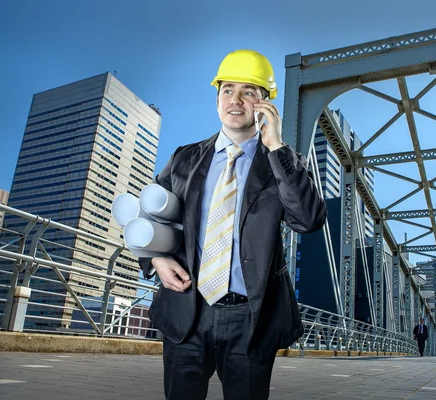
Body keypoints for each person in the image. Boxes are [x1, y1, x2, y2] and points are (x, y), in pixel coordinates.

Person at [138, 49, 327, 400]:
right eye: (227, 90)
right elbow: (149, 216)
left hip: (251, 320)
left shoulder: (283, 163)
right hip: (187, 310)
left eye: (248, 92)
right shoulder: (185, 158)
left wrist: (276, 148)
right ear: (217, 98)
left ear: (265, 103)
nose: (235, 100)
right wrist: (156, 259)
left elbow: (308, 219)